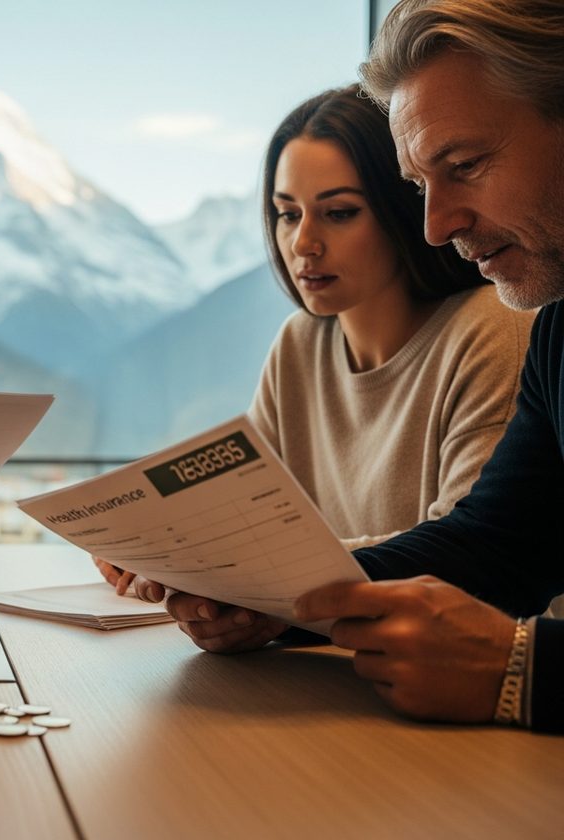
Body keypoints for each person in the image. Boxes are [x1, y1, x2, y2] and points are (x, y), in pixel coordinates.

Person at [165, 0, 564, 734]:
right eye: (419, 187)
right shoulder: (562, 332)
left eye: (466, 166)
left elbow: (508, 613)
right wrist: (276, 603)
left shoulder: (504, 327)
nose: (437, 226)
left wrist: (525, 667)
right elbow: (498, 546)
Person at [97, 83, 533, 595]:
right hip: (328, 651)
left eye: (339, 212)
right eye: (287, 213)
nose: (303, 243)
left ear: (403, 210)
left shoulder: (494, 330)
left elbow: (469, 557)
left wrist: (239, 571)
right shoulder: (300, 344)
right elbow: (250, 519)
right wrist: (159, 548)